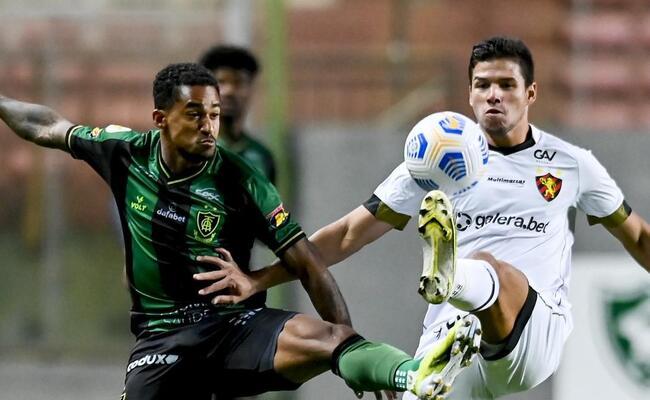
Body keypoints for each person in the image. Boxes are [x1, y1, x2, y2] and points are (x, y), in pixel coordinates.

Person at [194, 37, 650, 399]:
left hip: (535, 333)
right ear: (469, 93)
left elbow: (638, 238)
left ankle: (453, 277)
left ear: (530, 92)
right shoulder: (433, 157)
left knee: (491, 268)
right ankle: (448, 304)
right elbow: (349, 234)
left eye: (507, 85)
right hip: (452, 340)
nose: (494, 95)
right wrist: (258, 280)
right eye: (482, 84)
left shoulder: (571, 164)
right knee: (428, 379)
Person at [0, 62, 480, 400]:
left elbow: (309, 265)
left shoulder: (242, 179)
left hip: (232, 327)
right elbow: (48, 125)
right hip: (162, 339)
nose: (209, 126)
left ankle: (412, 375)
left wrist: (353, 354)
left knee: (331, 338)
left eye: (213, 115)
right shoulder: (122, 151)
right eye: (194, 115)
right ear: (160, 119)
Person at [199, 44, 276, 183]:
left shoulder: (261, 156)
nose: (229, 91)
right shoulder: (187, 151)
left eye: (239, 83)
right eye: (221, 82)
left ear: (251, 89)